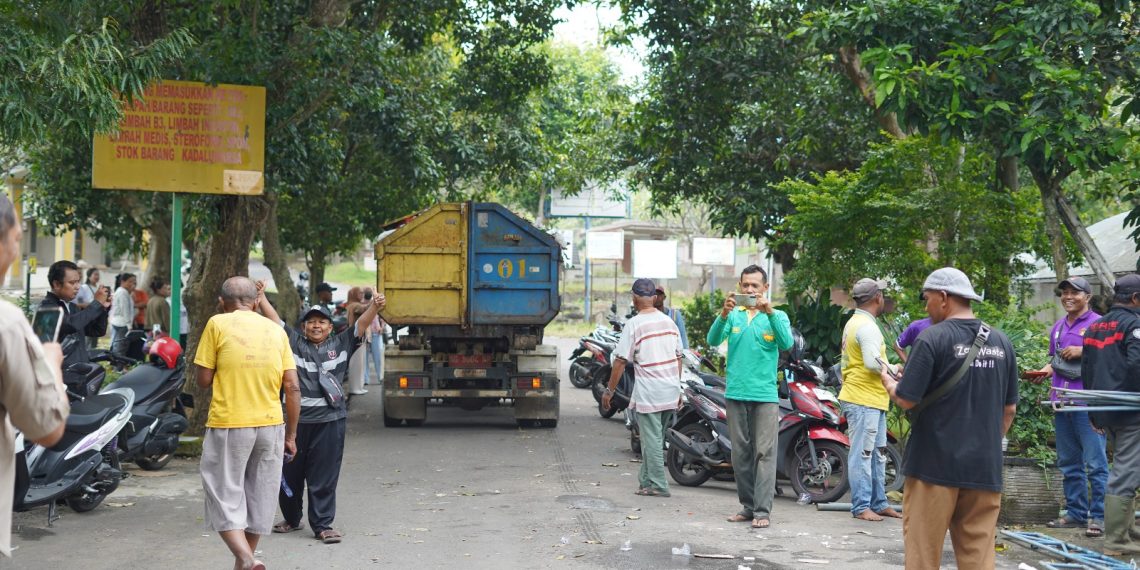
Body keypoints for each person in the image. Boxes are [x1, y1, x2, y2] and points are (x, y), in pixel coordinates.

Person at [879, 267, 1018, 570]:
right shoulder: (1001, 342)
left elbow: (906, 398)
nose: (925, 306)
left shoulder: (932, 339)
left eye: (926, 299)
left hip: (933, 467)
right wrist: (986, 445)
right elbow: (1009, 410)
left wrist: (888, 381)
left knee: (923, 555)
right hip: (984, 468)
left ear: (943, 297)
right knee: (979, 557)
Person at [256, 281, 384, 544]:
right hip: (295, 424)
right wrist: (259, 296)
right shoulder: (292, 342)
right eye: (311, 322)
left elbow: (360, 325)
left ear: (330, 327)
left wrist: (374, 307)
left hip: (330, 423)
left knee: (324, 475)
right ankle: (291, 519)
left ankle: (323, 525)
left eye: (321, 322)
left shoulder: (343, 343)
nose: (316, 326)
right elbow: (274, 320)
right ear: (304, 327)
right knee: (289, 474)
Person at [195, 277, 301, 570]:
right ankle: (245, 563)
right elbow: (292, 387)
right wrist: (290, 435)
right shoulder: (276, 331)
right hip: (271, 425)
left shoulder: (217, 324)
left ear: (221, 302)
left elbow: (203, 380)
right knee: (260, 496)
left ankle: (246, 557)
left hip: (230, 422)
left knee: (222, 493)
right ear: (256, 302)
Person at [0, 193, 70, 558]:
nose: (17, 247)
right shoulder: (7, 323)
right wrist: (50, 363)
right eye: (16, 237)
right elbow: (46, 428)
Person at [706, 265, 794, 529]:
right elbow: (712, 340)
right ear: (740, 286)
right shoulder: (733, 315)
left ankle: (762, 510)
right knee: (740, 454)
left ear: (765, 288)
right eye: (746, 285)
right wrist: (723, 313)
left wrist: (769, 311)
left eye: (755, 286)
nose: (750, 290)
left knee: (764, 453)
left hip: (765, 396)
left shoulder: (777, 316)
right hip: (735, 393)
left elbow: (787, 343)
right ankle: (747, 506)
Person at [1031, 276, 1106, 538]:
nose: (1068, 297)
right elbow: (1056, 360)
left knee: (1096, 463)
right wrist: (1043, 370)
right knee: (1069, 462)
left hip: (1088, 404)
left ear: (1088, 297)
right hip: (1061, 402)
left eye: (1075, 292)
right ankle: (1075, 513)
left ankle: (1099, 516)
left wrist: (1083, 350)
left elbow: (1111, 357)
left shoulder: (1099, 324)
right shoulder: (1058, 327)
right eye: (1064, 292)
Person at [602, 278, 683, 498]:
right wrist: (678, 388)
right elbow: (679, 357)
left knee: (652, 440)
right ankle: (646, 481)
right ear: (655, 298)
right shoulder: (669, 322)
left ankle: (658, 485)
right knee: (654, 438)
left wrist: (609, 391)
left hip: (651, 392)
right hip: (670, 389)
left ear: (635, 298)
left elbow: (620, 361)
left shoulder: (634, 324)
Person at [1082, 273, 1140, 556]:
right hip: (1131, 410)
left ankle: (1127, 530)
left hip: (1105, 409)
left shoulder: (1095, 326)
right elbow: (1137, 365)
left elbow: (1087, 370)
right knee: (1126, 471)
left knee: (1126, 467)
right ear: (1135, 299)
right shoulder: (1135, 324)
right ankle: (1116, 540)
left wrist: (1094, 411)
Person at [838, 278, 901, 522]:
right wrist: (895, 368)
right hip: (863, 399)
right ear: (877, 298)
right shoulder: (867, 327)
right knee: (863, 454)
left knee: (877, 454)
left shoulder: (856, 322)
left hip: (872, 399)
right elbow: (872, 361)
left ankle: (878, 502)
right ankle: (862, 506)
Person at [40, 260, 110, 367]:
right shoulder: (46, 308)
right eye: (72, 283)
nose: (78, 287)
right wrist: (96, 303)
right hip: (59, 376)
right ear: (56, 284)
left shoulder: (73, 307)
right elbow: (70, 325)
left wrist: (102, 308)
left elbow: (97, 331)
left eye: (78, 282)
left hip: (79, 373)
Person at [74, 267, 103, 349]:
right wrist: (93, 305)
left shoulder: (96, 288)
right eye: (95, 274)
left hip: (95, 318)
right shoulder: (84, 287)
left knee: (93, 343)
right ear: (89, 276)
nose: (97, 276)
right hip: (86, 318)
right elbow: (79, 303)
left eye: (98, 275)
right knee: (87, 342)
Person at [109, 273, 136, 358]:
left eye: (134, 282)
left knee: (119, 345)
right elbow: (125, 310)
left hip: (120, 322)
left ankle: (118, 366)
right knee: (120, 346)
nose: (132, 284)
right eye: (130, 281)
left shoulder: (124, 292)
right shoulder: (122, 292)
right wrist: (129, 325)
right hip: (122, 323)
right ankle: (118, 367)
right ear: (122, 281)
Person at [361, 287, 384, 386]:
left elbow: (382, 317)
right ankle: (367, 379)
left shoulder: (373, 303)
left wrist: (382, 327)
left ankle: (380, 377)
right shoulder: (361, 304)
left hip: (374, 332)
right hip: (365, 334)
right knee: (366, 358)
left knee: (376, 357)